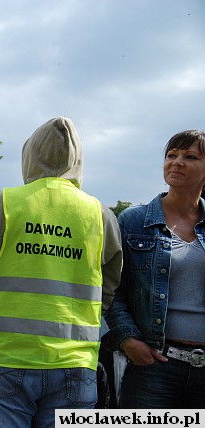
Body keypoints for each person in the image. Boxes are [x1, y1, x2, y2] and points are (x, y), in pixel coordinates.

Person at [0, 116, 123, 427]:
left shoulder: (2, 204)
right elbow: (109, 284)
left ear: (30, 155)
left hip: (5, 357)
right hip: (75, 360)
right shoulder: (100, 214)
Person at [102, 129, 205, 408]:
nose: (177, 162)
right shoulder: (133, 221)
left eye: (190, 157)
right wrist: (127, 339)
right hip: (154, 364)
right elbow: (110, 287)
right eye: (171, 155)